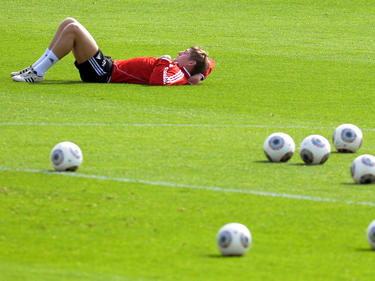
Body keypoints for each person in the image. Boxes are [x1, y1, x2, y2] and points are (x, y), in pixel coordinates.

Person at [11, 18, 215, 85]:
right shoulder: (187, 70)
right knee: (69, 22)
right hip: (106, 66)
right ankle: (35, 69)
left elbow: (158, 81)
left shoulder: (178, 72)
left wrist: (163, 60)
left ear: (189, 62)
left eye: (186, 52)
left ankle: (37, 73)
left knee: (73, 29)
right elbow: (209, 64)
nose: (181, 51)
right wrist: (201, 75)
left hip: (104, 73)